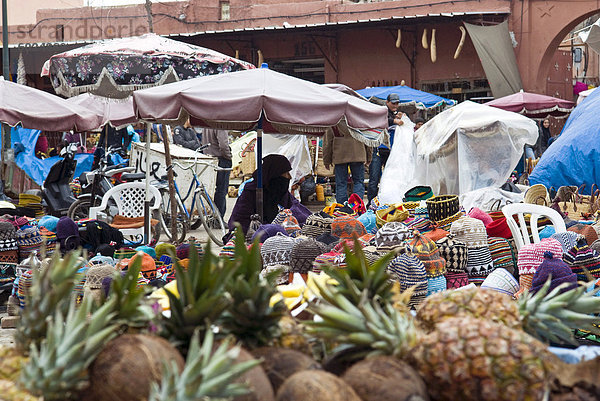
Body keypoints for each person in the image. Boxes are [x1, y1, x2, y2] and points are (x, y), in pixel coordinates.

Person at [228, 154, 310, 234]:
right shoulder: (251, 192)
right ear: (275, 174)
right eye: (286, 173)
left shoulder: (283, 194)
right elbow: (239, 221)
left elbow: (299, 211)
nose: (290, 177)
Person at [367, 93, 404, 206]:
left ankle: (386, 203)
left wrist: (397, 117)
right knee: (374, 179)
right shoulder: (382, 111)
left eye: (397, 103)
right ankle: (371, 204)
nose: (395, 105)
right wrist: (394, 121)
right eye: (393, 103)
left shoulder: (395, 114)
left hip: (391, 152)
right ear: (387, 102)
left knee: (389, 179)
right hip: (378, 150)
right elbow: (382, 120)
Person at [323, 127, 371, 204]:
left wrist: (326, 160)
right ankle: (357, 206)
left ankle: (342, 208)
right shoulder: (360, 119)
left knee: (341, 184)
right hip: (358, 155)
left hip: (340, 156)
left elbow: (328, 142)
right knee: (358, 182)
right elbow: (368, 140)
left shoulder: (334, 120)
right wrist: (369, 156)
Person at [202, 128, 232, 217]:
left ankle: (212, 217)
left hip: (209, 158)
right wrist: (228, 156)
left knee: (211, 189)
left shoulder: (207, 122)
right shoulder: (220, 124)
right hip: (221, 159)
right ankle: (218, 218)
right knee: (221, 190)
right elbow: (223, 145)